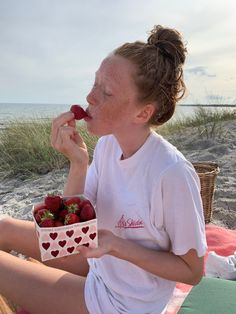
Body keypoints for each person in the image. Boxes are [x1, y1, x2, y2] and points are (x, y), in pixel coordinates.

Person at [0, 25, 207, 314]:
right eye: (95, 83)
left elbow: (192, 271)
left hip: (122, 302)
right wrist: (78, 163)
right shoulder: (109, 145)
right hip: (98, 263)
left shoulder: (171, 173)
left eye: (106, 92)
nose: (90, 97)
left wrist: (118, 246)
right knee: (3, 227)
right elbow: (72, 234)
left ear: (142, 113)